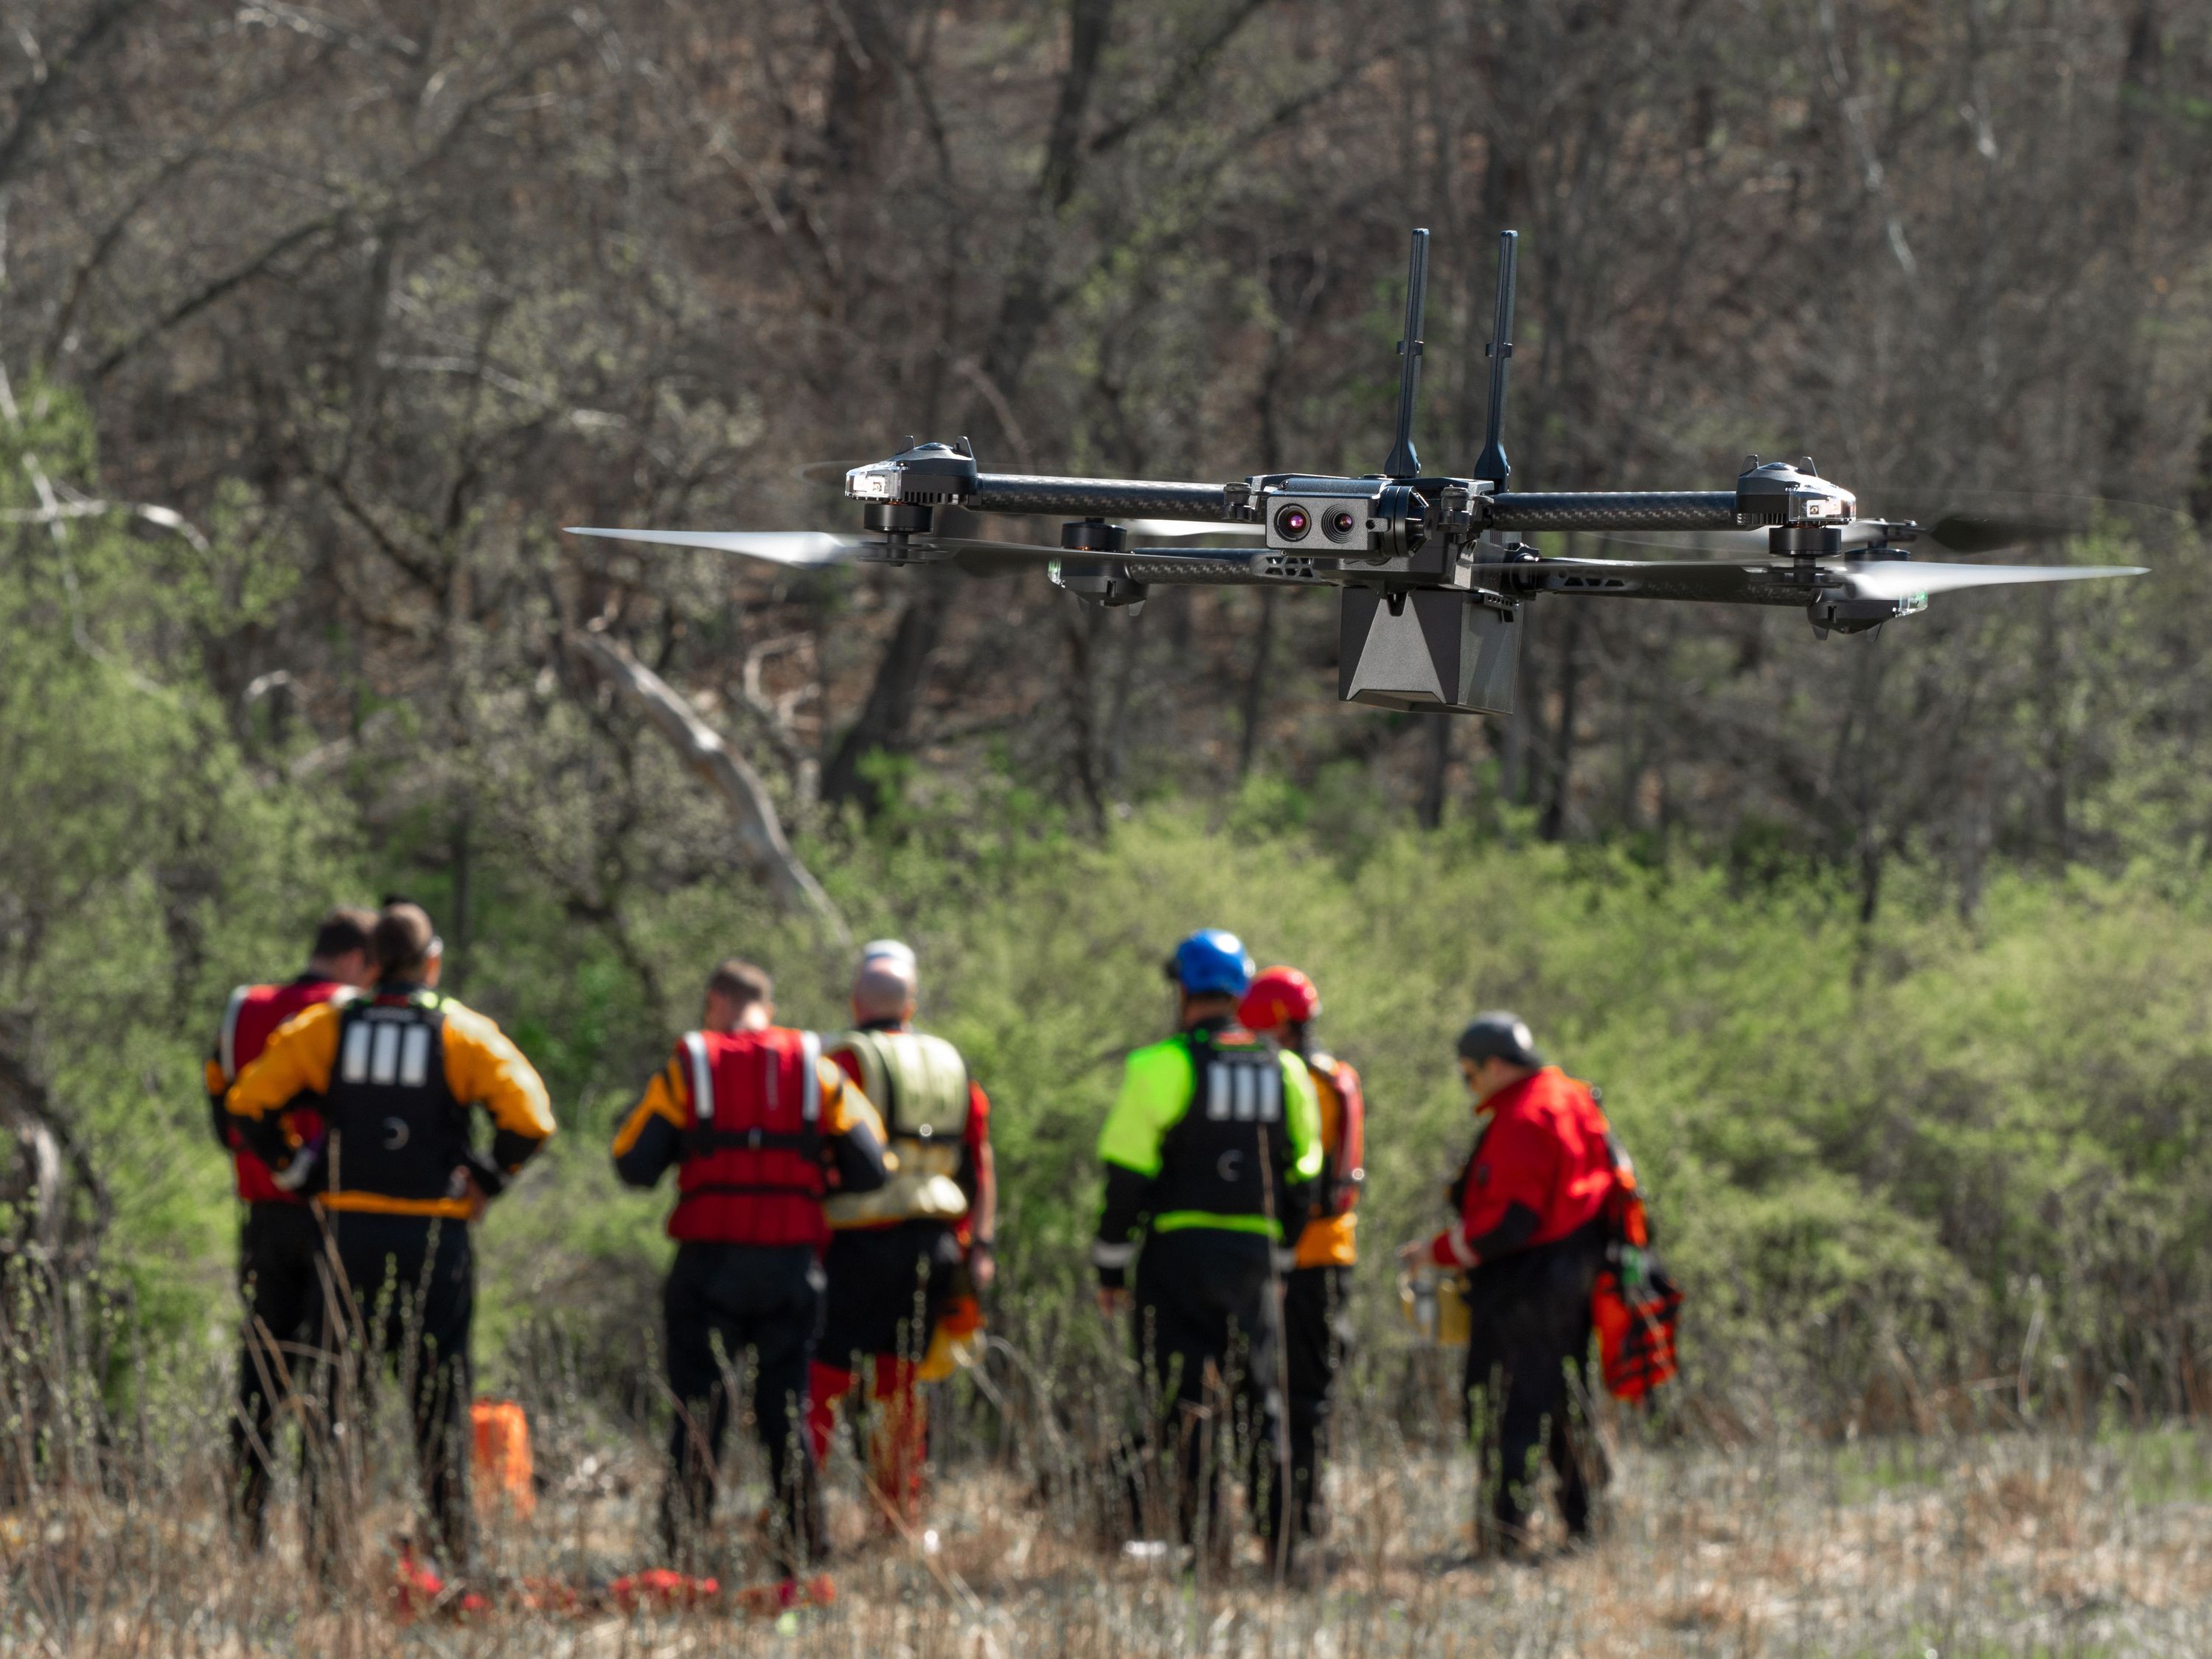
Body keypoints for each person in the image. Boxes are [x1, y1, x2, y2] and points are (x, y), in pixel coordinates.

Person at [226, 902, 555, 1576]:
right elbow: (532, 1118)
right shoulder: (460, 1032)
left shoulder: (329, 1028)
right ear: (431, 960)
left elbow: (249, 1103)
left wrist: (296, 1170)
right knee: (437, 1402)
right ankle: (451, 1558)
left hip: (347, 1238)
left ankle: (327, 1559)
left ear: (370, 963)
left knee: (337, 1401)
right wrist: (487, 1179)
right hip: (435, 1240)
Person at [611, 959, 890, 1579]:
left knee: (699, 1413)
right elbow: (874, 1168)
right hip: (792, 1268)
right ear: (768, 1002)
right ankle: (803, 1555)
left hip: (708, 1269)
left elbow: (632, 1166)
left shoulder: (693, 1065)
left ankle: (680, 1557)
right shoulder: (817, 1070)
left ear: (715, 1003)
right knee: (785, 1412)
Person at [1093, 929, 1322, 1564]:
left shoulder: (1158, 1065)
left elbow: (1127, 1178)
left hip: (1176, 1258)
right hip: (1253, 1260)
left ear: (1185, 989)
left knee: (1182, 1401)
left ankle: (1206, 1545)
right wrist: (1279, 1258)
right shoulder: (1287, 1070)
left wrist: (1110, 1265)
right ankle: (1280, 1547)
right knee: (1262, 1401)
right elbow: (1306, 1175)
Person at [1399, 1012, 1618, 1556]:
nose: (1468, 1085)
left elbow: (1509, 1222)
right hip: (1572, 1274)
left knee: (1504, 1407)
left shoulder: (1526, 1114)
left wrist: (1438, 1253)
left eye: (1469, 1074)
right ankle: (1586, 1526)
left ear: (1496, 1066)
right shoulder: (1569, 1096)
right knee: (1566, 1401)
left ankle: (1503, 1538)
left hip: (1529, 1280)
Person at [805, 940, 996, 1528]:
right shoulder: (951, 1063)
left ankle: (796, 1509)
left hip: (858, 1241)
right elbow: (980, 1159)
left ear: (856, 1001)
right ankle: (897, 1513)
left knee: (823, 1371)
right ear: (910, 1003)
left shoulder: (844, 1059)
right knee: (903, 1379)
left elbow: (817, 1151)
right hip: (937, 1243)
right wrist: (980, 1246)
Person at [204, 905, 377, 1552]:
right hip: (339, 1221)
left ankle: (244, 1534)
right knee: (333, 1382)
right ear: (358, 960)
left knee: (260, 1379)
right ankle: (323, 1544)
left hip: (261, 1218)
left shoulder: (242, 1008)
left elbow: (224, 1119)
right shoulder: (353, 1015)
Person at [1236, 964, 1363, 1551]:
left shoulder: (1294, 1080)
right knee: (1310, 1393)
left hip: (1291, 1260)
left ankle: (1289, 1521)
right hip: (1334, 1253)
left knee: (1282, 1394)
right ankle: (1302, 1516)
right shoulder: (1338, 1075)